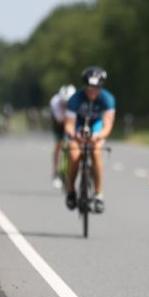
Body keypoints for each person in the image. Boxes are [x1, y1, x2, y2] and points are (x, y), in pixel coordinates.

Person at [64, 68, 115, 213]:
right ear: (85, 86)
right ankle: (71, 190)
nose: (92, 91)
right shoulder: (75, 98)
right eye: (89, 87)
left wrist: (98, 136)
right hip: (78, 127)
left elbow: (108, 125)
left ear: (101, 87)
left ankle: (99, 194)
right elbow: (68, 125)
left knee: (96, 152)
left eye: (96, 88)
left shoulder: (107, 99)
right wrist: (75, 135)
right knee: (74, 155)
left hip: (97, 127)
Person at [49, 84, 76, 189]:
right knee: (59, 144)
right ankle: (55, 172)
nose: (65, 104)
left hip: (73, 121)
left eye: (68, 103)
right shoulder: (55, 102)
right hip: (59, 123)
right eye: (64, 103)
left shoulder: (77, 101)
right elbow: (60, 120)